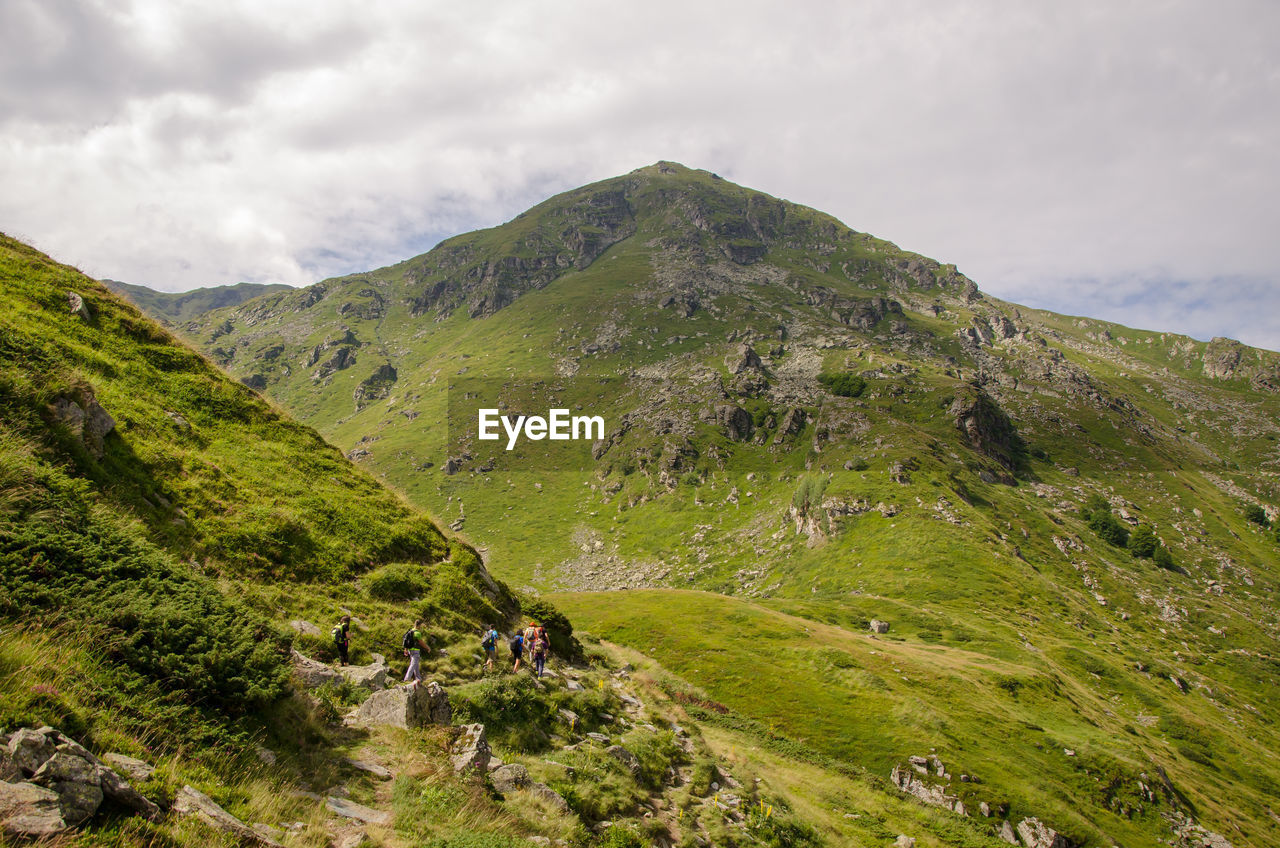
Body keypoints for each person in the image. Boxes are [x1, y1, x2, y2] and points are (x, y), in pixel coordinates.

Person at [402, 619, 427, 687]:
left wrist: (406, 649)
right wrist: (427, 648)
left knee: (416, 664)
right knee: (413, 664)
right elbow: (421, 642)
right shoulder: (417, 633)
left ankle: (418, 678)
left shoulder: (410, 631)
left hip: (410, 650)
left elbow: (406, 641)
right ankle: (407, 679)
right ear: (419, 625)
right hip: (416, 650)